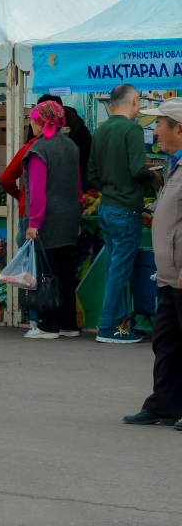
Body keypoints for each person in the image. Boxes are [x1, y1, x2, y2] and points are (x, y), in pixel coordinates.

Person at [123, 98, 182, 428]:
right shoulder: (174, 164)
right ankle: (163, 405)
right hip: (168, 275)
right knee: (166, 344)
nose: (154, 130)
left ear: (179, 128)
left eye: (160, 123)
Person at [89, 84, 157, 344]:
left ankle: (121, 326)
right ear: (135, 101)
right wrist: (154, 177)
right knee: (119, 271)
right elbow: (138, 168)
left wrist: (109, 188)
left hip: (107, 207)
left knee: (112, 269)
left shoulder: (101, 130)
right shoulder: (132, 129)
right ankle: (107, 328)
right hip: (127, 209)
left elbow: (92, 173)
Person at [21, 101, 83, 340]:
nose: (31, 124)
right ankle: (69, 324)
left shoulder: (39, 149)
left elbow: (37, 190)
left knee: (48, 273)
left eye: (33, 119)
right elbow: (77, 187)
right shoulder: (71, 146)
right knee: (65, 272)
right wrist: (76, 216)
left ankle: (49, 325)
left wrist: (33, 223)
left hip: (48, 219)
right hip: (68, 217)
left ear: (41, 121)